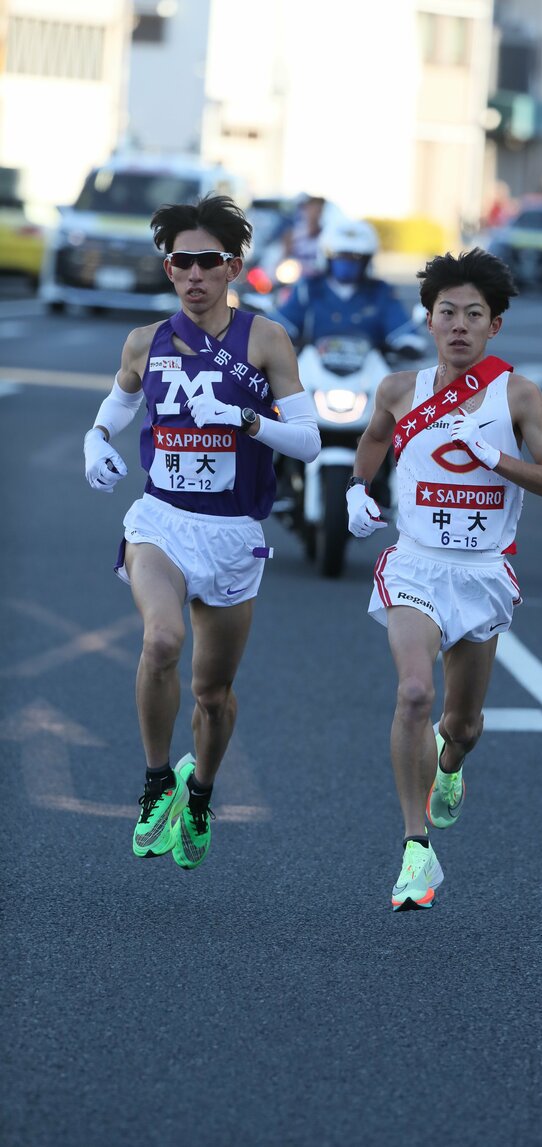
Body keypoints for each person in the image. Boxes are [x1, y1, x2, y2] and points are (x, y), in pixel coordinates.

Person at [82, 193, 320, 869]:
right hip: (160, 521)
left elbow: (307, 442)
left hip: (234, 532)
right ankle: (158, 781)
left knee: (212, 694)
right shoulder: (144, 341)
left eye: (207, 262)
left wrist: (245, 420)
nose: (193, 274)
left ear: (232, 267)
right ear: (168, 269)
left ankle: (201, 792)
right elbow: (119, 403)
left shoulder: (265, 340)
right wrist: (96, 439)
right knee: (162, 639)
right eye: (180, 262)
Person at [345, 248, 542, 911]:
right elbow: (374, 439)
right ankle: (415, 848)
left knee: (462, 722)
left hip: (481, 573)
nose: (459, 325)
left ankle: (449, 763)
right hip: (414, 563)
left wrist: (493, 457)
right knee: (414, 692)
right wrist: (358, 489)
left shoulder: (518, 395)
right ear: (429, 319)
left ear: (494, 325)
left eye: (474, 314)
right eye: (448, 312)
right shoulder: (398, 389)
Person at [273, 216, 426, 357]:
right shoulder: (308, 289)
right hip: (313, 370)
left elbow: (401, 329)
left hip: (370, 373)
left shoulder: (380, 291)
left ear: (367, 261)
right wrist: (276, 334)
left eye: (356, 257)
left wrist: (408, 343)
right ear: (326, 257)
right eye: (340, 256)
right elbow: (282, 325)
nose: (347, 263)